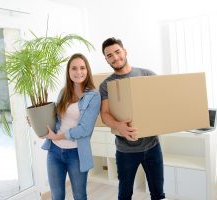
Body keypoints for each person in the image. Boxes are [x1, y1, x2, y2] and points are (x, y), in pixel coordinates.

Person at [99, 37, 166, 200]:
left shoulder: (147, 75)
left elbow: (162, 103)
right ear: (106, 59)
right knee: (125, 194)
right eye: (109, 55)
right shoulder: (106, 85)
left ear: (125, 51)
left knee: (158, 193)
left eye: (117, 52)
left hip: (152, 146)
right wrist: (118, 126)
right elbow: (105, 114)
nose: (115, 58)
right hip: (125, 150)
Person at [41, 53, 101, 200]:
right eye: (74, 68)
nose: (78, 72)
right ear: (68, 72)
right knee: (57, 196)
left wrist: (58, 136)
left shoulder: (94, 96)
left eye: (82, 68)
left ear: (87, 71)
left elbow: (84, 129)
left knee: (79, 196)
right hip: (54, 151)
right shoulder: (63, 92)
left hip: (76, 153)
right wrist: (38, 122)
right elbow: (56, 119)